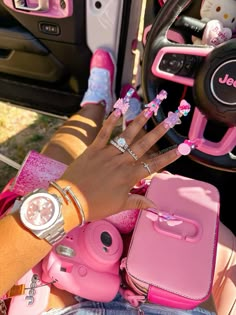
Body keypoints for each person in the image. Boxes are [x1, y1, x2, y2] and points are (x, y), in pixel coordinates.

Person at [0, 49, 235, 315]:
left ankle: (95, 104)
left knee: (61, 155)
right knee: (162, 195)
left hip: (45, 293)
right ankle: (134, 120)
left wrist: (70, 200)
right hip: (169, 298)